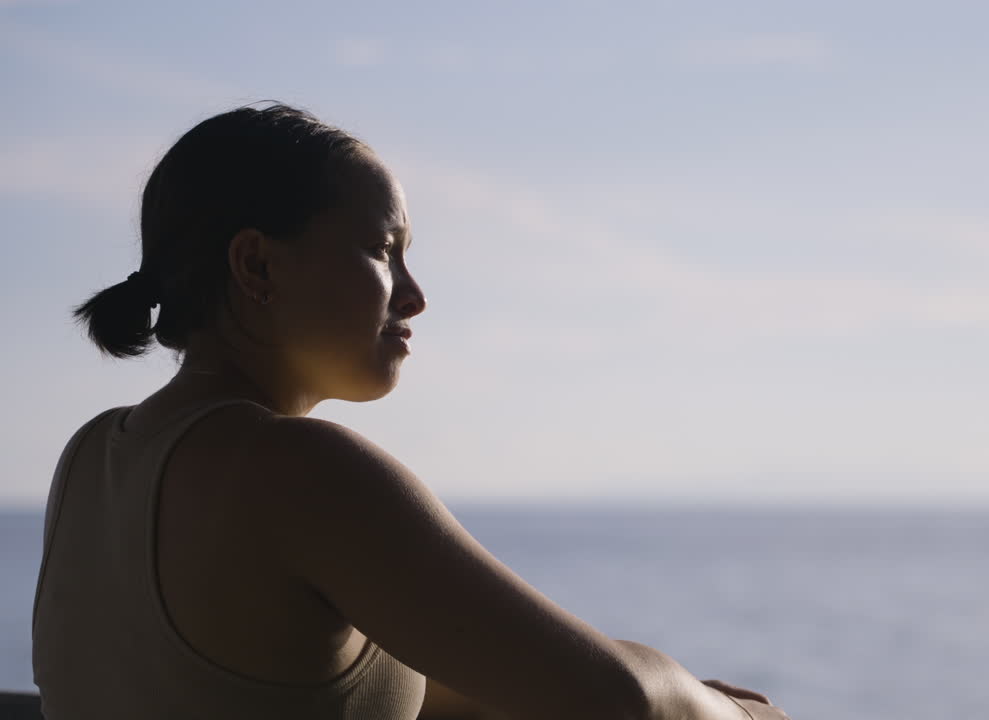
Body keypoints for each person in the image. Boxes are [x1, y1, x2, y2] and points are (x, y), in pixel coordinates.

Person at [31, 103, 790, 720]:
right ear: (256, 265)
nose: (415, 294)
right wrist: (732, 716)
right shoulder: (297, 468)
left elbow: (350, 683)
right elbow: (613, 701)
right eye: (383, 248)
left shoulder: (93, 454)